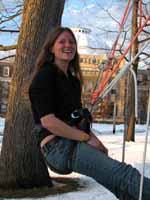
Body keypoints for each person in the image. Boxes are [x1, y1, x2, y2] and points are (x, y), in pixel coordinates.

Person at [29, 26, 150, 200]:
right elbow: (49, 122)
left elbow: (79, 120)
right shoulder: (44, 76)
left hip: (73, 142)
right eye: (61, 41)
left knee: (120, 184)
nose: (68, 45)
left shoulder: (73, 81)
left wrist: (96, 142)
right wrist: (86, 139)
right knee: (125, 175)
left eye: (71, 42)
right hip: (57, 148)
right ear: (51, 48)